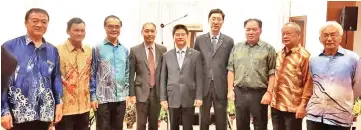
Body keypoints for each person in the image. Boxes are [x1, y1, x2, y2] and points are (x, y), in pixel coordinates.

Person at [1, 8, 63, 130]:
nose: (39, 24)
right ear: (26, 23)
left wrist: (59, 103)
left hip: (45, 114)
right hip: (17, 115)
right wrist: (3, 111)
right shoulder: (9, 47)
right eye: (35, 20)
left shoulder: (52, 50)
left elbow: (56, 78)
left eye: (44, 22)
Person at [306, 21, 361, 130]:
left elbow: (357, 85)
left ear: (340, 38)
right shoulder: (314, 59)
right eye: (325, 35)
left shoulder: (353, 58)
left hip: (340, 116)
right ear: (320, 39)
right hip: (315, 114)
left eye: (333, 35)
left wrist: (352, 107)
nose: (329, 39)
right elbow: (312, 83)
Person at [227, 18, 277, 130]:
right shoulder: (236, 48)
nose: (251, 32)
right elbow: (231, 70)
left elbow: (272, 73)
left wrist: (269, 93)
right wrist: (230, 90)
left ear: (260, 31)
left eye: (254, 29)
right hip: (240, 92)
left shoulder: (268, 49)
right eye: (248, 29)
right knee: (241, 125)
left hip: (259, 93)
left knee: (260, 125)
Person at [194, 8, 234, 130]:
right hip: (204, 86)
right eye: (213, 19)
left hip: (221, 86)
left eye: (219, 19)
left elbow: (231, 65)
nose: (216, 22)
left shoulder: (229, 41)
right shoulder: (200, 40)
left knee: (221, 121)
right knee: (203, 120)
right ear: (208, 21)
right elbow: (196, 63)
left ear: (222, 22)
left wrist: (230, 88)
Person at [268, 22, 313, 130]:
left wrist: (303, 105)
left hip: (293, 108)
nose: (285, 36)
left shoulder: (305, 56)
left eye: (288, 34)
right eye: (283, 34)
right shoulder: (279, 54)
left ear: (298, 35)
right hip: (276, 106)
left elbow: (309, 82)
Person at [160, 24, 203, 130]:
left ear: (187, 36)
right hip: (172, 96)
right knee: (173, 126)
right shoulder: (167, 55)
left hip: (189, 96)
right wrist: (163, 98)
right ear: (173, 37)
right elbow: (163, 78)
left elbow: (199, 77)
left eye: (183, 34)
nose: (180, 37)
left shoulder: (195, 54)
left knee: (188, 126)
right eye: (177, 34)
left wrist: (199, 96)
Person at [90, 15, 129, 130]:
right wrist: (93, 97)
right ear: (105, 28)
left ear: (120, 28)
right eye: (110, 26)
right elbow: (92, 73)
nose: (114, 29)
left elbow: (126, 73)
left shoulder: (124, 50)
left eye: (117, 27)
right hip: (102, 99)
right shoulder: (97, 48)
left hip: (120, 98)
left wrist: (127, 93)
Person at [55, 17, 92, 130]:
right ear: (68, 31)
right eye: (76, 30)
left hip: (84, 107)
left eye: (82, 30)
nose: (80, 33)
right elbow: (54, 78)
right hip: (65, 108)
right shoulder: (57, 50)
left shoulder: (89, 50)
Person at [129, 22, 167, 130]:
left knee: (154, 124)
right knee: (140, 124)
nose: (150, 34)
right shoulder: (134, 50)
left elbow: (164, 73)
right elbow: (131, 74)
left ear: (156, 33)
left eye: (152, 31)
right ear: (142, 32)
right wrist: (131, 94)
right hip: (141, 92)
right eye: (146, 31)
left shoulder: (163, 50)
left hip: (157, 93)